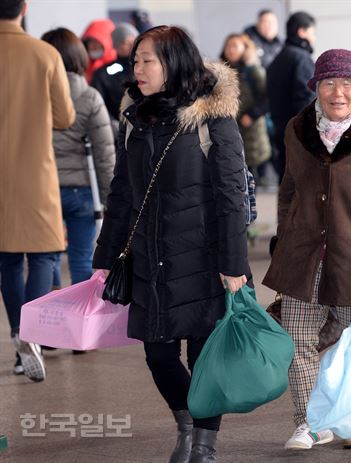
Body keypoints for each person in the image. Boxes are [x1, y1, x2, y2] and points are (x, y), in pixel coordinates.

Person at [92, 25, 250, 463]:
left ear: (174, 62)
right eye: (136, 59)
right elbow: (121, 193)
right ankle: (185, 424)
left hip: (206, 259)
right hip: (150, 257)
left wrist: (234, 264)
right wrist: (105, 257)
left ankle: (203, 444)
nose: (138, 69)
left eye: (148, 60)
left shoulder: (211, 119)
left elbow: (231, 197)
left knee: (205, 361)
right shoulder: (134, 118)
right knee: (158, 355)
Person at [263, 49, 351, 451]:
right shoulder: (297, 128)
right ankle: (308, 422)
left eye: (347, 84)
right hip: (303, 253)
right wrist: (283, 237)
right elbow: (289, 188)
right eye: (328, 83)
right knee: (297, 340)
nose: (338, 93)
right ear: (316, 87)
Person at [0, 0, 76, 382]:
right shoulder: (44, 54)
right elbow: (64, 117)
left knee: (7, 258)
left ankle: (18, 336)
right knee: (44, 255)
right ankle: (30, 335)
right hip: (35, 170)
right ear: (24, 7)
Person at [41, 28, 115, 286]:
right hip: (83, 190)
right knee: (82, 259)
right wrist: (110, 198)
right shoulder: (90, 96)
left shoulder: (36, 96)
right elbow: (104, 152)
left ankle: (49, 311)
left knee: (46, 257)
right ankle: (81, 318)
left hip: (44, 188)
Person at [266, 11, 316, 183]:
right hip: (299, 133)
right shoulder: (301, 58)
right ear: (302, 32)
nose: (313, 36)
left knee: (287, 184)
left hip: (281, 130)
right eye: (312, 31)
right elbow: (306, 97)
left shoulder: (278, 58)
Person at [220, 33, 271, 179]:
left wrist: (252, 115)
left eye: (235, 46)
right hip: (228, 128)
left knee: (249, 176)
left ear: (245, 49)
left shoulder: (253, 70)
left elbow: (267, 98)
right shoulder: (219, 71)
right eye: (228, 46)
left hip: (251, 128)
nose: (230, 50)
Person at [91, 22, 139, 133]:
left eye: (133, 41)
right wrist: (113, 125)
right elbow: (99, 105)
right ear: (116, 47)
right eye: (124, 42)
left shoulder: (147, 68)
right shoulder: (104, 73)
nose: (130, 45)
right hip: (118, 131)